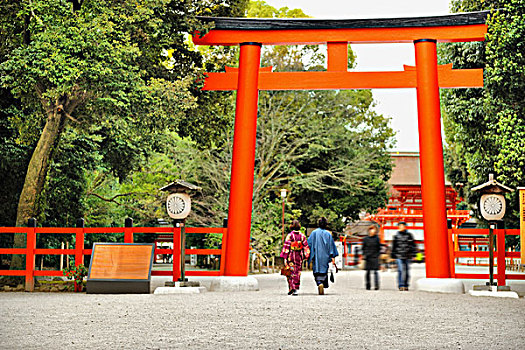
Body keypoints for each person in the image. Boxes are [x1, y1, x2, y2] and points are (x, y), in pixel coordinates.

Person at [307, 217, 339, 295]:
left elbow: (309, 244)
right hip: (325, 256)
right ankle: (323, 282)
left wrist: (308, 255)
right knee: (324, 270)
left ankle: (319, 282)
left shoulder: (314, 233)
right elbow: (331, 247)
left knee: (317, 270)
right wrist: (332, 257)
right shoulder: (328, 234)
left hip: (316, 255)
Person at [280, 220, 310, 296]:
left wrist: (285, 257)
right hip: (299, 256)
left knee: (291, 271)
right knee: (297, 272)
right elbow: (305, 247)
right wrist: (306, 255)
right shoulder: (302, 236)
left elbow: (286, 247)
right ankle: (295, 288)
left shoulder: (290, 236)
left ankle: (291, 287)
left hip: (291, 256)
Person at [391, 221, 416, 291]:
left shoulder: (409, 235)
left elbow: (413, 246)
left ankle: (406, 285)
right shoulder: (396, 236)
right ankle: (401, 285)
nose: (401, 227)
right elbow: (394, 247)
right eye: (400, 226)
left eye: (403, 226)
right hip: (399, 255)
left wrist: (414, 254)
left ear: (405, 227)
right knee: (401, 270)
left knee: (407, 271)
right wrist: (392, 256)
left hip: (408, 255)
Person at [361, 225, 381, 290]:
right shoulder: (365, 239)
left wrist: (378, 255)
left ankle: (376, 285)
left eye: (374, 230)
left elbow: (379, 248)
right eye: (371, 229)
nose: (373, 231)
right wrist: (364, 255)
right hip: (368, 257)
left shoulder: (377, 239)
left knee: (375, 272)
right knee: (368, 272)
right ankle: (368, 285)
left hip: (375, 257)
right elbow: (363, 248)